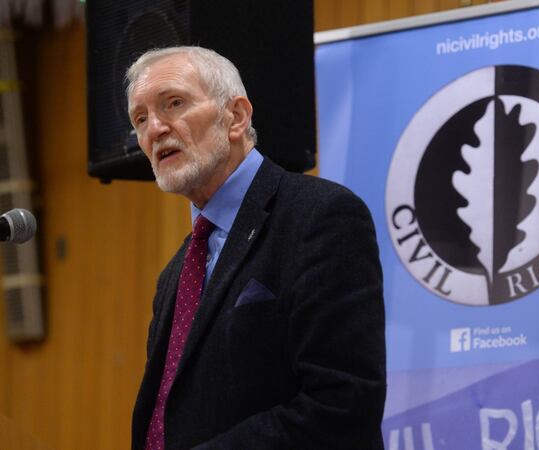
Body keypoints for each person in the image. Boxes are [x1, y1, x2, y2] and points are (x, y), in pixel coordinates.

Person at [125, 46, 386, 450]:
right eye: (140, 119)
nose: (155, 129)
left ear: (236, 116)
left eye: (173, 103)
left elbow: (342, 403)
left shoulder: (320, 216)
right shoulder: (174, 276)